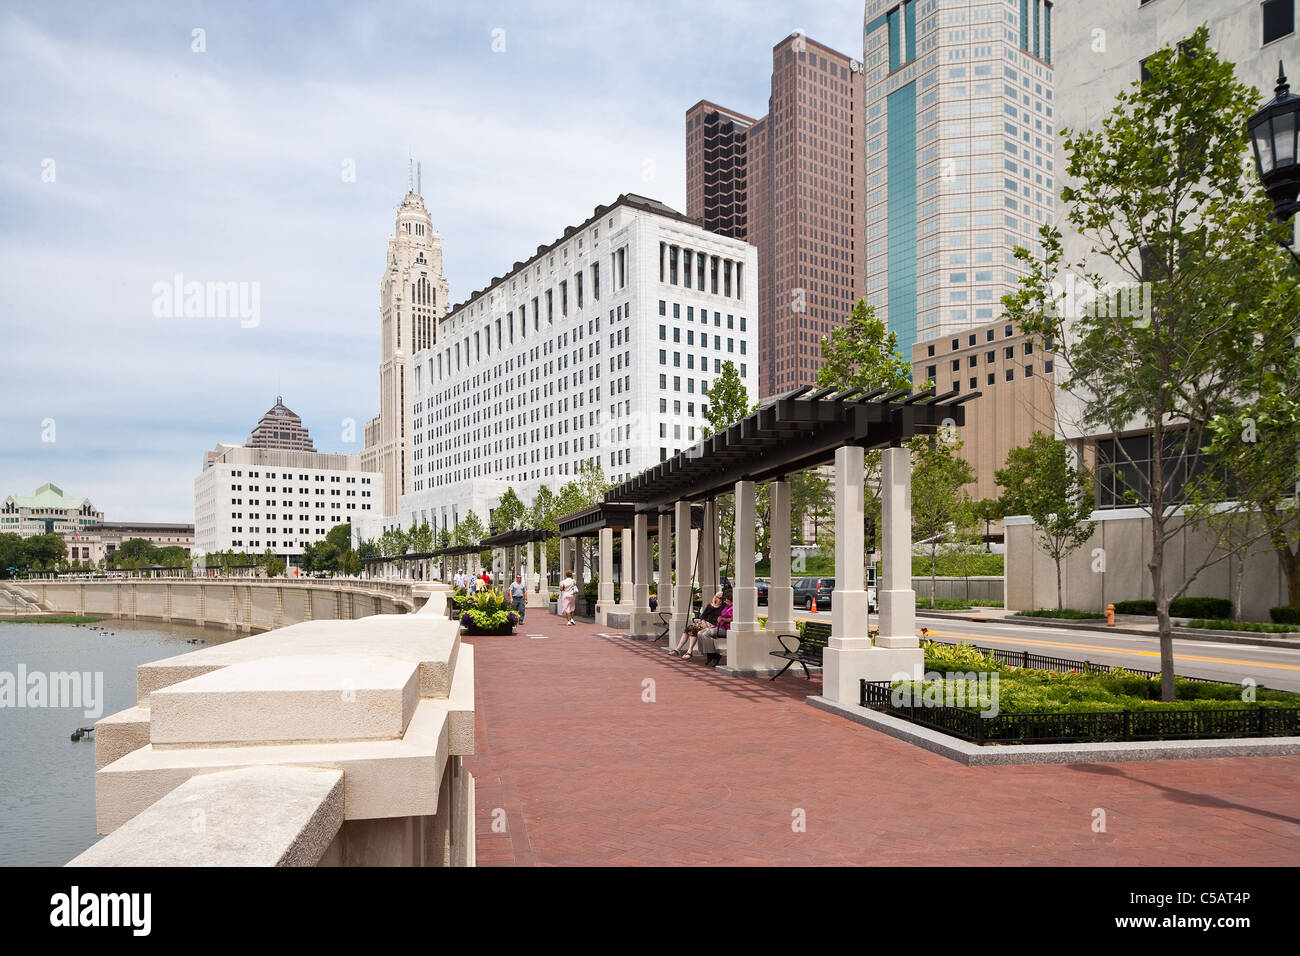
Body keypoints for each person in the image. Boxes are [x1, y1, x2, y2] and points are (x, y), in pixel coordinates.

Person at [671, 591, 723, 660]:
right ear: (716, 598)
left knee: (692, 629)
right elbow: (703, 616)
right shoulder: (710, 605)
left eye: (723, 598)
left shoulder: (723, 607)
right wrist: (704, 622)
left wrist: (708, 626)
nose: (721, 600)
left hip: (712, 626)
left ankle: (688, 651)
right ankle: (679, 649)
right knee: (689, 629)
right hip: (703, 623)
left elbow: (719, 620)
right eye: (720, 598)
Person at [694, 590, 732, 667]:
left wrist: (723, 619)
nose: (724, 600)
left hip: (726, 628)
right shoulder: (727, 606)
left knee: (706, 634)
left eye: (725, 599)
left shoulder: (733, 608)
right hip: (719, 627)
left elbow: (732, 619)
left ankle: (713, 654)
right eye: (723, 599)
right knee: (699, 633)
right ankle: (709, 654)